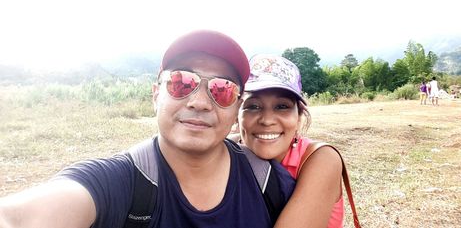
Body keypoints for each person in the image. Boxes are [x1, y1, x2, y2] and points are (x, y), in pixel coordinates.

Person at [0, 30, 295, 228]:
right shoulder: (117, 182)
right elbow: (17, 217)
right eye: (182, 83)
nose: (200, 102)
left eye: (222, 90)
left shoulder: (268, 182)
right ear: (156, 94)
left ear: (236, 108)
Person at [236, 54, 345, 228]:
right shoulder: (229, 152)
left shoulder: (322, 159)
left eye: (282, 107)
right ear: (237, 115)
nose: (267, 120)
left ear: (299, 117)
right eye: (253, 106)